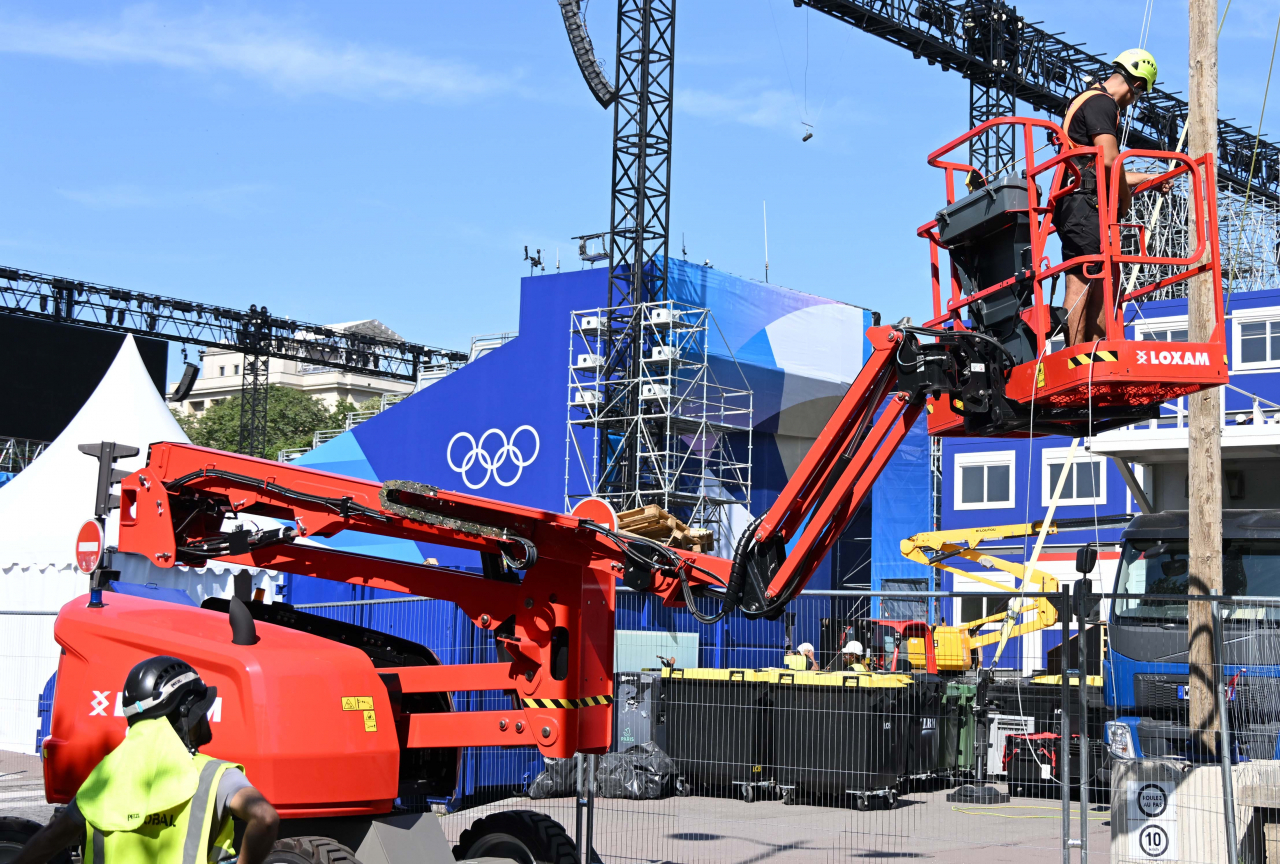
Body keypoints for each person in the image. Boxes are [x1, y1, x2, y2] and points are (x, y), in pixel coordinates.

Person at [14, 656, 279, 864]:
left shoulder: (105, 776)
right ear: (185, 713)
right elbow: (265, 817)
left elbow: (49, 841)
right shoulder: (212, 775)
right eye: (200, 711)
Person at [1055, 48, 1171, 346]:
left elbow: (1099, 167)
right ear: (1138, 85)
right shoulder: (1101, 103)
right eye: (1140, 93)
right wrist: (1125, 197)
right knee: (1083, 278)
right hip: (1084, 204)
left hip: (1082, 198)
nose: (1136, 100)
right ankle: (1077, 353)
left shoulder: (1088, 100)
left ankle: (1094, 351)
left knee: (1102, 281)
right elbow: (1109, 161)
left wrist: (1147, 179)